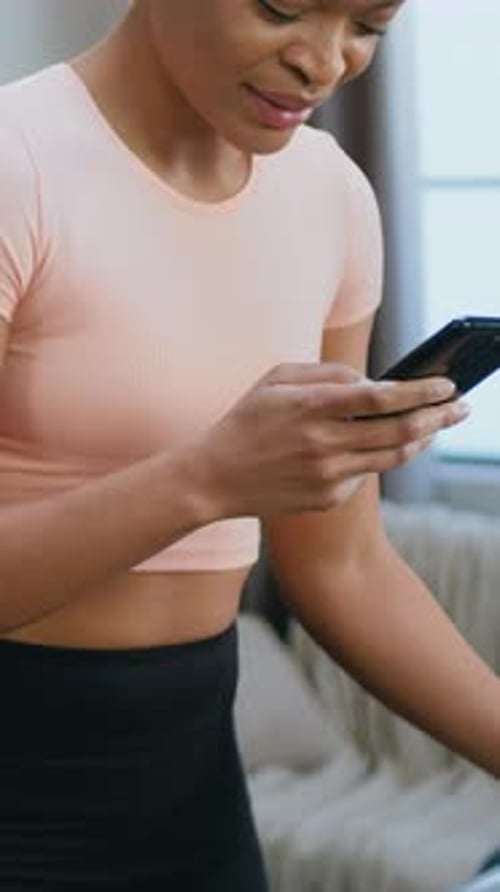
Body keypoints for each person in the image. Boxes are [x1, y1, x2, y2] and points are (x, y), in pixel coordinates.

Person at [0, 0, 498, 888]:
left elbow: (343, 568)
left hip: (197, 802)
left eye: (369, 25)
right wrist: (206, 479)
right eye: (282, 8)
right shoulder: (18, 164)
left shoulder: (331, 195)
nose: (327, 61)